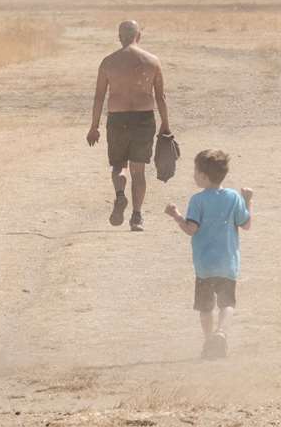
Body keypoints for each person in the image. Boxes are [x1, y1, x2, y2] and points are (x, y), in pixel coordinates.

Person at [164, 149, 253, 360]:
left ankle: (208, 341)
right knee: (227, 303)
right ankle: (221, 333)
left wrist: (176, 216)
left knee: (205, 308)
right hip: (228, 263)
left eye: (195, 171)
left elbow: (191, 229)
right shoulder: (233, 197)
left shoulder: (198, 200)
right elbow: (246, 223)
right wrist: (247, 200)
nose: (193, 175)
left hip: (204, 265)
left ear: (204, 176)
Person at [86, 20, 171, 230]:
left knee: (119, 166)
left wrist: (94, 127)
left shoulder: (108, 62)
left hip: (118, 118)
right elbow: (161, 97)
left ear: (119, 37)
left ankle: (120, 194)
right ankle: (137, 217)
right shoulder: (152, 61)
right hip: (143, 118)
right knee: (138, 171)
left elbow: (98, 98)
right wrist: (165, 125)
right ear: (138, 36)